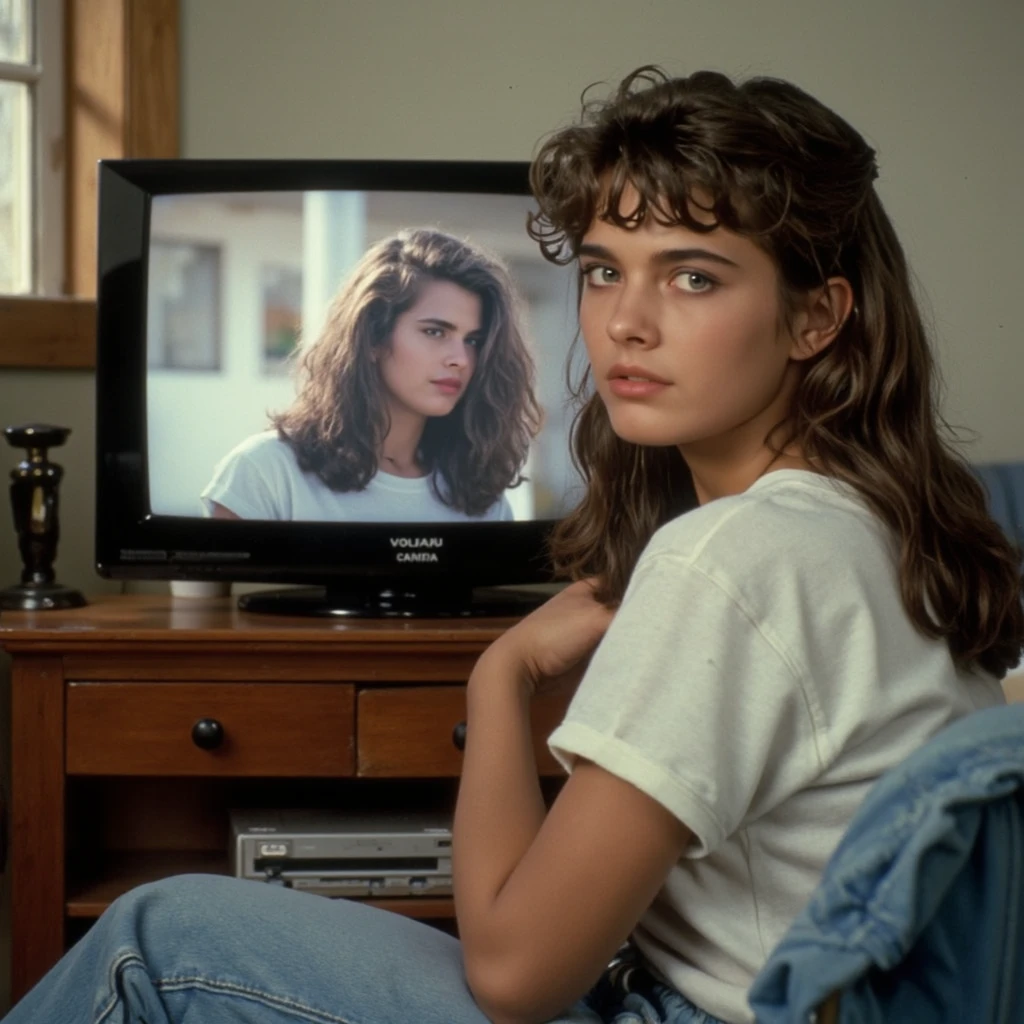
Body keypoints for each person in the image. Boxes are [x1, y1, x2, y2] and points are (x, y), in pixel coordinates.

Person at [4, 66, 1023, 1024]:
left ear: (816, 317)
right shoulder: (888, 522)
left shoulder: (733, 560)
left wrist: (501, 673)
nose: (623, 322)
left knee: (149, 933)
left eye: (693, 278)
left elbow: (512, 976)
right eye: (602, 270)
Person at [201, 227, 542, 523]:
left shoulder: (478, 491)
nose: (461, 359)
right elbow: (204, 599)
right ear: (373, 337)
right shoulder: (267, 471)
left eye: (473, 340)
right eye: (436, 332)